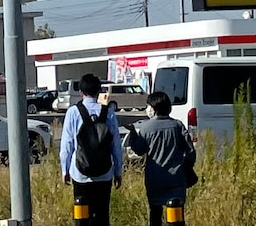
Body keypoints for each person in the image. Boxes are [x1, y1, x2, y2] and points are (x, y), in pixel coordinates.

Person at [59, 73, 122, 226]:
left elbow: (67, 145)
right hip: (105, 172)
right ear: (99, 91)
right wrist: (118, 172)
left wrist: (65, 169)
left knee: (81, 215)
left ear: (81, 91)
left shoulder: (73, 112)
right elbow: (116, 146)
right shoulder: (109, 113)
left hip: (80, 172)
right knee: (102, 216)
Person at [126, 91, 196, 226]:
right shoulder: (177, 125)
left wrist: (133, 134)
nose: (147, 109)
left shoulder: (146, 128)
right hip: (176, 179)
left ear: (154, 108)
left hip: (155, 179)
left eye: (149, 106)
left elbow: (139, 150)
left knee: (155, 214)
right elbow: (190, 152)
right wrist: (187, 167)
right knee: (177, 215)